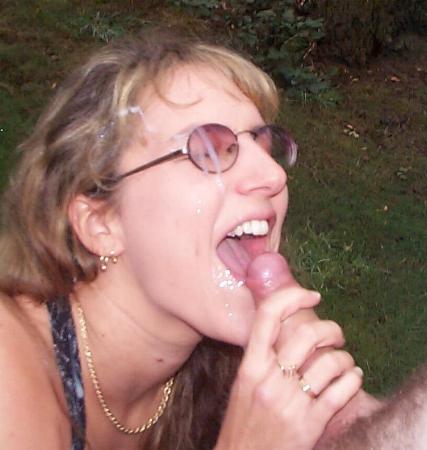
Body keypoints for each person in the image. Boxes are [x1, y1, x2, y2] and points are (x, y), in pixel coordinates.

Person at [0, 31, 365, 450]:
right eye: (208, 149)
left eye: (264, 144)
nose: (274, 175)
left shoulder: (230, 371)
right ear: (102, 224)